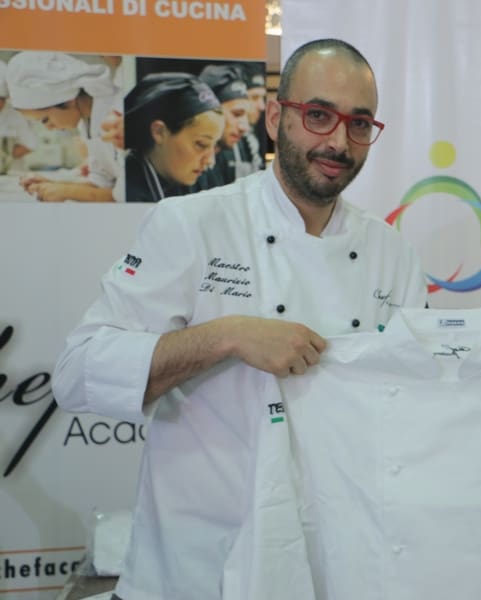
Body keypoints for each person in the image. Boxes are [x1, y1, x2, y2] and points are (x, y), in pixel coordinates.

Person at [51, 38, 426, 600]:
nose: (338, 141)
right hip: (199, 563)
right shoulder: (192, 223)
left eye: (359, 123)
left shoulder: (392, 253)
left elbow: (415, 404)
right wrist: (228, 335)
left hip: (334, 564)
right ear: (275, 118)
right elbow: (77, 372)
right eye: (318, 115)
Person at [6, 51, 123, 202]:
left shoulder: (116, 116)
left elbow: (126, 195)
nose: (49, 128)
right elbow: (101, 184)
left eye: (45, 119)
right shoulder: (86, 122)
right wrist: (53, 185)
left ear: (67, 99)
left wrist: (66, 191)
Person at [123, 72, 225, 202]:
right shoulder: (126, 194)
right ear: (159, 132)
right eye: (201, 144)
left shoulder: (200, 179)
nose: (210, 161)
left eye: (215, 146)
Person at [198, 63, 254, 186]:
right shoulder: (187, 168)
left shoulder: (223, 159)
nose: (244, 127)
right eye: (236, 114)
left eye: (246, 117)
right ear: (210, 111)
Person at [0, 59, 38, 174]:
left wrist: (6, 154)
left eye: (1, 99)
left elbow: (30, 143)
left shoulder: (16, 114)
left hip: (12, 173)